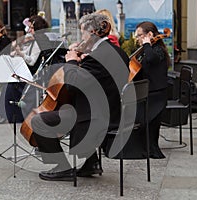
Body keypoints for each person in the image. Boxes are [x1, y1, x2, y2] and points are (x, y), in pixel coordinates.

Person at [27, 13, 129, 181]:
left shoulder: (98, 57)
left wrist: (72, 61)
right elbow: (96, 78)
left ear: (93, 33)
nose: (82, 37)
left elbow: (72, 85)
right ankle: (91, 163)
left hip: (94, 116)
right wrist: (82, 59)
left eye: (83, 33)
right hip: (111, 108)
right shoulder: (115, 51)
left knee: (38, 120)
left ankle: (63, 167)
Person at [0, 15, 50, 125]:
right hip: (25, 70)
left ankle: (11, 115)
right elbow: (22, 54)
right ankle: (8, 114)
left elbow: (31, 61)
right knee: (8, 82)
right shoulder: (30, 39)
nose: (28, 30)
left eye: (31, 28)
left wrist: (20, 53)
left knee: (10, 85)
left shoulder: (39, 41)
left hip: (33, 74)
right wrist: (15, 52)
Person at [131, 21, 169, 159]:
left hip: (157, 94)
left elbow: (152, 59)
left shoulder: (158, 50)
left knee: (150, 123)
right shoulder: (148, 50)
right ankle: (143, 147)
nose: (137, 39)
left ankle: (151, 148)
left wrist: (146, 44)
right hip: (149, 91)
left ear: (150, 35)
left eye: (140, 35)